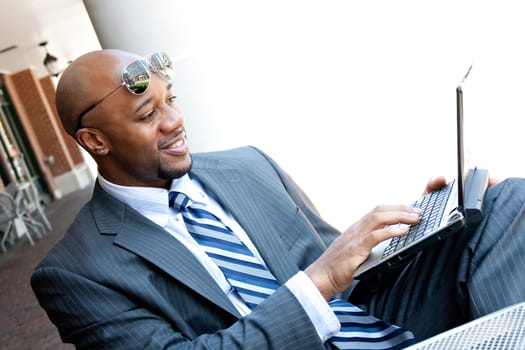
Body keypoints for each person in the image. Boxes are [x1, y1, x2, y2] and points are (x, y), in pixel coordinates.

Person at [31, 49, 525, 349]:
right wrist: (317, 281)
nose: (175, 121)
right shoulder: (75, 272)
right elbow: (321, 278)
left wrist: (415, 235)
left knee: (505, 203)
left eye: (172, 99)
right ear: (95, 141)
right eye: (146, 114)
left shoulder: (248, 164)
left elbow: (345, 272)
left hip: (372, 323)